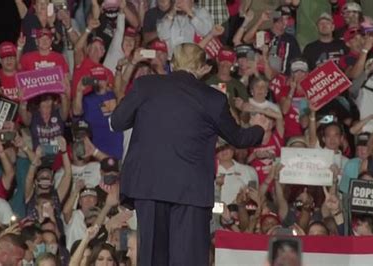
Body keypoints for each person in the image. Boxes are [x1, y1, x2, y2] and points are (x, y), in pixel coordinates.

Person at [109, 43, 268, 265]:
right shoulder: (213, 98)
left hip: (150, 186)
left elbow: (117, 122)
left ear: (172, 63)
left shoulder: (145, 85)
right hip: (190, 192)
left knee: (153, 258)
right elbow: (239, 139)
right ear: (202, 69)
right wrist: (259, 126)